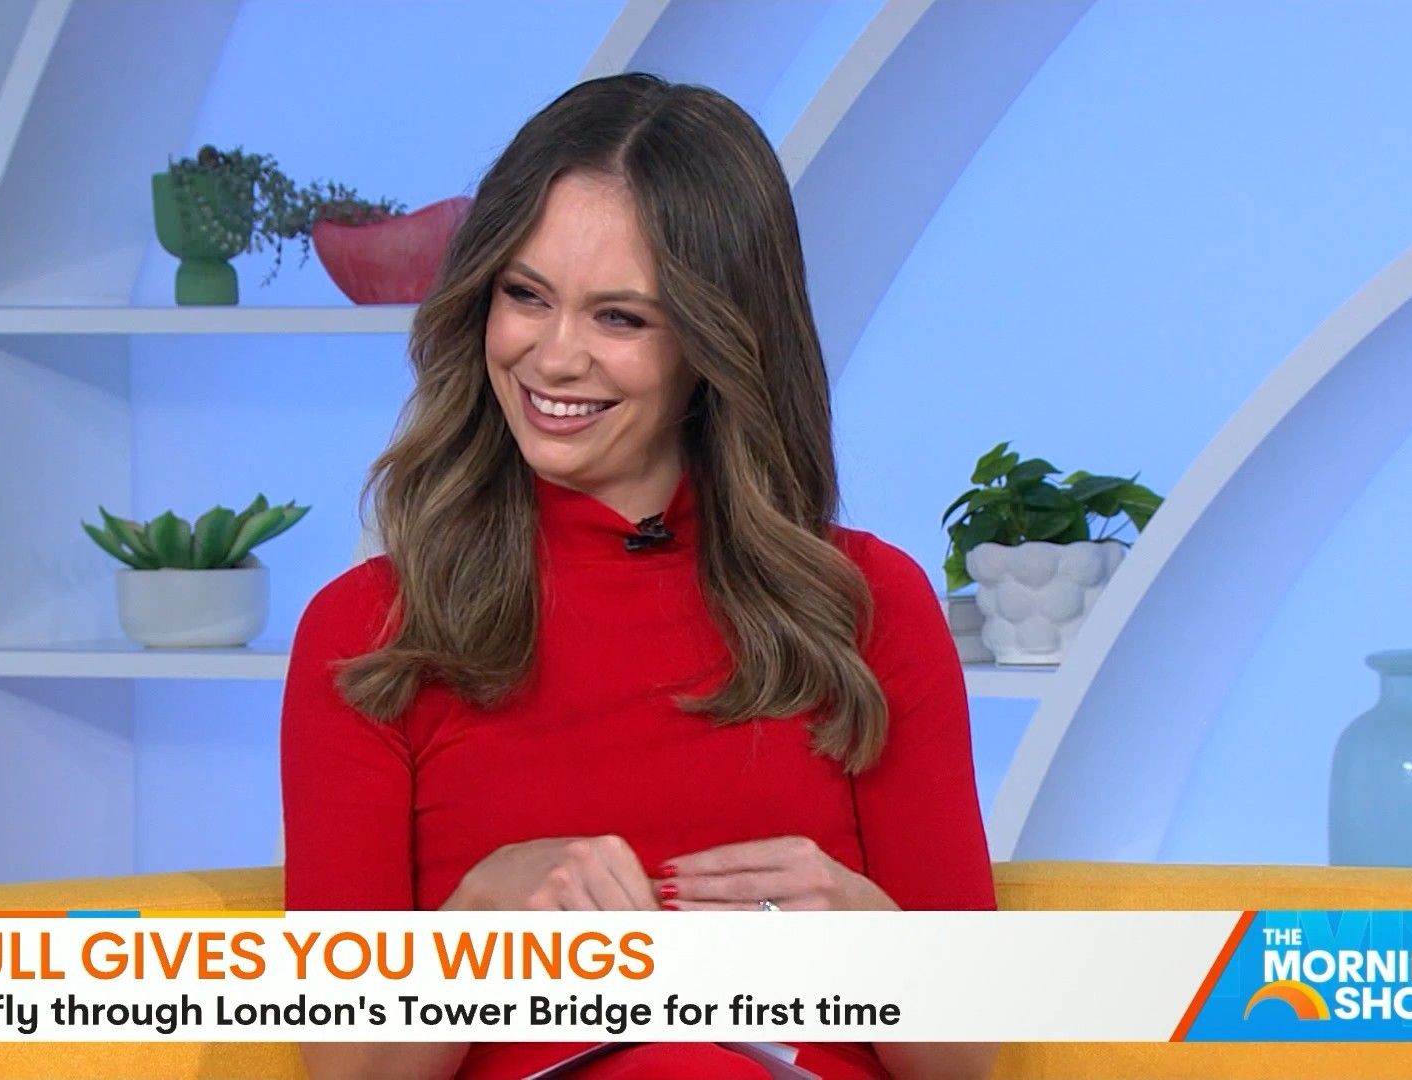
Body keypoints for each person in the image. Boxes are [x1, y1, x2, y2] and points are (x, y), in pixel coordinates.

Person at [281, 72, 997, 1080]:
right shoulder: (369, 633)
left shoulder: (867, 606)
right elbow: (349, 1072)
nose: (553, 357)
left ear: (714, 342)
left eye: (619, 318)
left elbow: (964, 1064)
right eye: (525, 295)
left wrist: (863, 926)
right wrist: (479, 918)